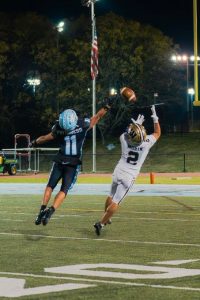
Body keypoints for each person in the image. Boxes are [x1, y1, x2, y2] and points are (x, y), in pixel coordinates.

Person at [30, 97, 115, 226]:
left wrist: (34, 142)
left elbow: (44, 138)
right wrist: (106, 107)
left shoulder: (58, 128)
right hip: (73, 163)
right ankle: (51, 211)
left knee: (50, 186)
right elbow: (97, 117)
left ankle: (41, 210)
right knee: (64, 190)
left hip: (60, 160)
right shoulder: (82, 124)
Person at [94, 105, 161, 236]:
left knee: (110, 195)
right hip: (129, 176)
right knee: (116, 202)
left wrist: (135, 125)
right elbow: (157, 133)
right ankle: (101, 223)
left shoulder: (124, 139)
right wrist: (155, 118)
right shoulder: (146, 143)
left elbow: (127, 132)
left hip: (118, 171)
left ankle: (106, 216)